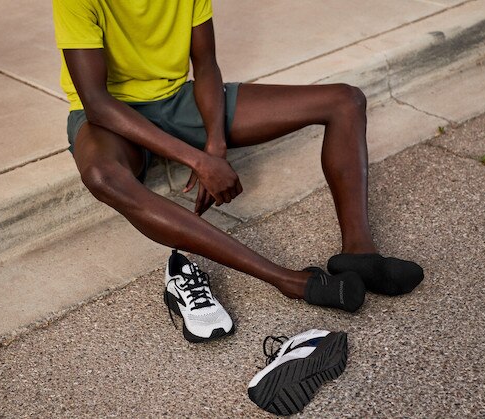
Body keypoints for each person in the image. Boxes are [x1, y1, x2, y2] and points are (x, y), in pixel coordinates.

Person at [52, 0, 423, 340]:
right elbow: (97, 104)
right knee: (102, 175)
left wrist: (215, 143)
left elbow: (206, 64)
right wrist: (197, 160)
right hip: (111, 121)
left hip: (179, 101)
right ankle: (288, 280)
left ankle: (359, 252)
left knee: (346, 100)